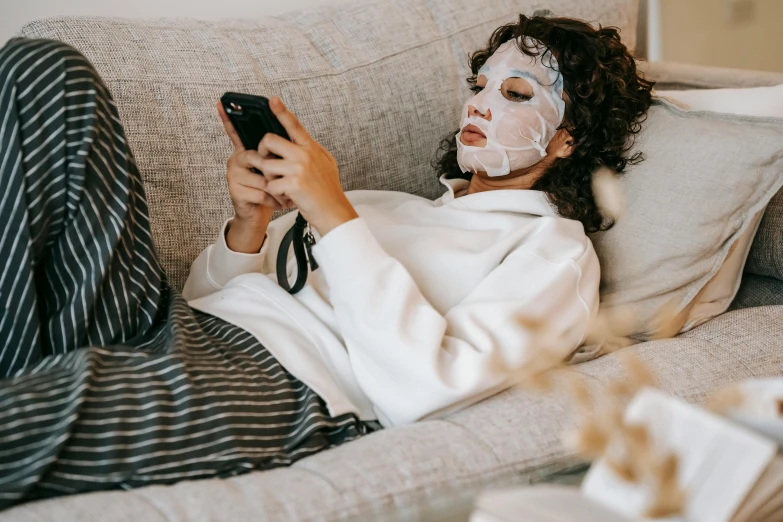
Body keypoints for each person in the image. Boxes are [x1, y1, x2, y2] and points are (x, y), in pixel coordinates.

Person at [0, 14, 653, 507]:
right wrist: (249, 226)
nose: (479, 103)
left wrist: (333, 216)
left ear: (568, 139)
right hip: (170, 325)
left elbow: (427, 388)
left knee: (22, 422)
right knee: (44, 70)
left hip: (276, 385)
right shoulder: (386, 206)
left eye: (515, 94)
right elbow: (211, 295)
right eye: (479, 85)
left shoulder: (551, 252)